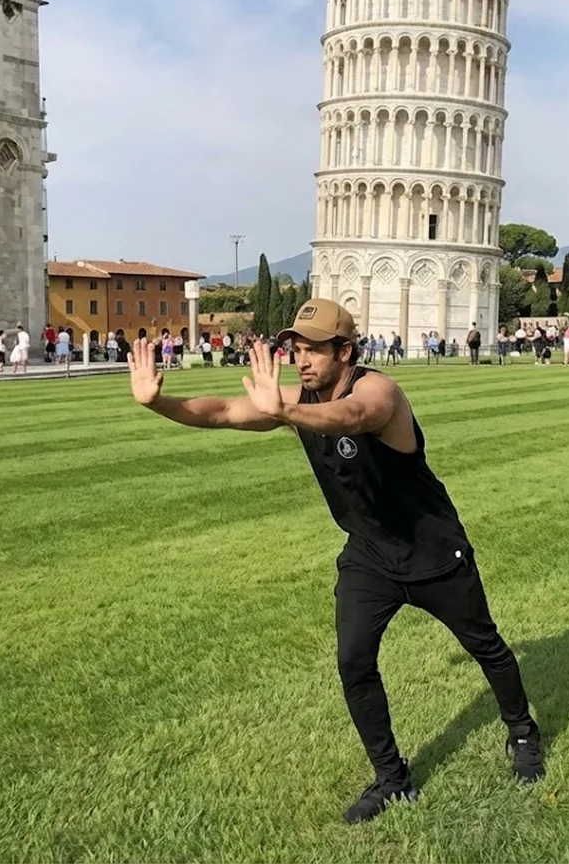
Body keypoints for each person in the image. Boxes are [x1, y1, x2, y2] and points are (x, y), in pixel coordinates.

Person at [127, 299, 544, 823]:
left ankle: (522, 730)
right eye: (296, 349)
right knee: (353, 661)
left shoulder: (379, 390)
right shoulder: (299, 401)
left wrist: (286, 412)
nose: (301, 360)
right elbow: (224, 412)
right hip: (369, 557)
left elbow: (352, 417)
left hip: (432, 550)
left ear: (345, 351)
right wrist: (157, 403)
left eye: (314, 350)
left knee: (486, 646)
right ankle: (392, 779)